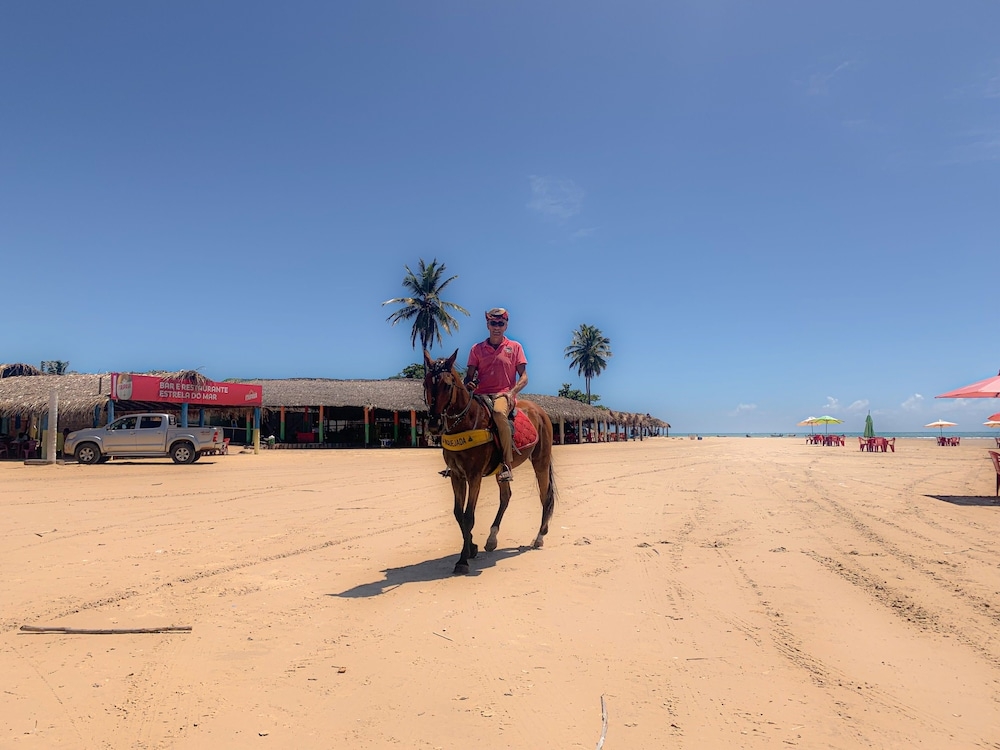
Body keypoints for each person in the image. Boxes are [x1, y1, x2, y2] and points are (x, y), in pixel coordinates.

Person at [464, 307, 528, 482]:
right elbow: (468, 376)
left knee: (499, 414)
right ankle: (453, 461)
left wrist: (512, 393)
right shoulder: (476, 349)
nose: (497, 327)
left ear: (506, 325)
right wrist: (468, 384)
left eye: (501, 323)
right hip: (480, 395)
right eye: (493, 323)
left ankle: (506, 463)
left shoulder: (515, 347)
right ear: (487, 325)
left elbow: (524, 377)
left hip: (503, 395)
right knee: (459, 413)